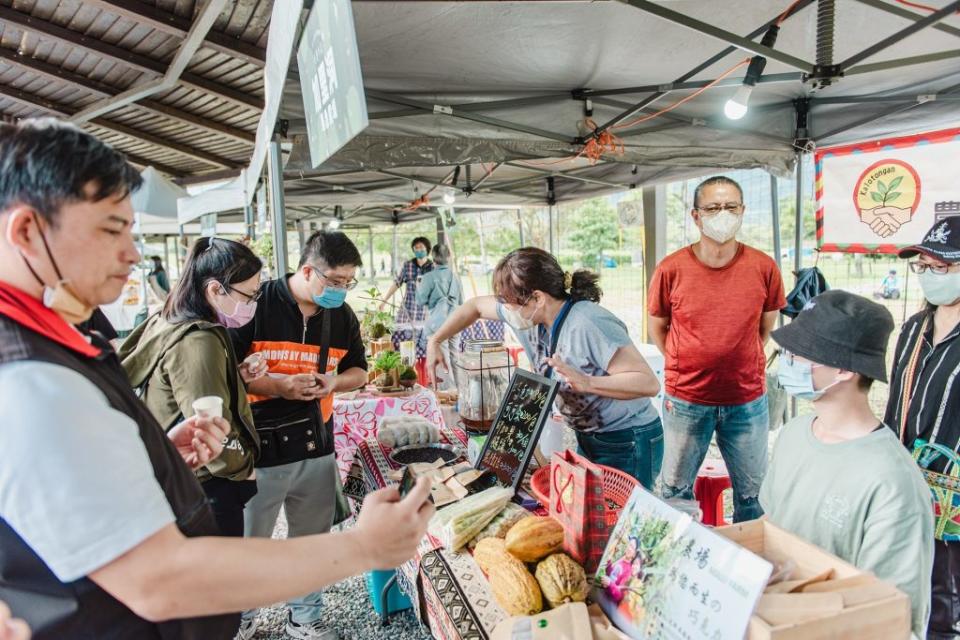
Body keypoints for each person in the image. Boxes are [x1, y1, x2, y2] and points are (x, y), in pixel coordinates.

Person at [0, 119, 433, 639]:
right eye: (112, 229)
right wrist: (365, 547)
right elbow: (160, 580)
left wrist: (154, 453)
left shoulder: (54, 343)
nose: (134, 254)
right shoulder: (33, 381)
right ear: (26, 231)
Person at [760, 290, 933, 638]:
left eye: (799, 353)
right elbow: (768, 530)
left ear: (843, 369)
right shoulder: (793, 435)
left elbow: (895, 615)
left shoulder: (892, 483)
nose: (787, 360)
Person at [230, 230, 369, 640]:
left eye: (349, 283)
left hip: (316, 443)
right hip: (259, 449)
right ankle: (240, 613)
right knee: (250, 540)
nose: (342, 291)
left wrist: (332, 384)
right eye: (336, 281)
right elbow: (227, 374)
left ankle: (304, 617)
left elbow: (360, 371)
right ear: (308, 270)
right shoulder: (255, 306)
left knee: (312, 539)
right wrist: (279, 386)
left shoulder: (341, 316)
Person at [427, 247, 662, 487]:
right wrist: (435, 340)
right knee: (588, 510)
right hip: (588, 435)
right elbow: (475, 306)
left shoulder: (587, 323)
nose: (507, 311)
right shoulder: (530, 317)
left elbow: (648, 382)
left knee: (622, 517)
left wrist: (588, 382)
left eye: (511, 304)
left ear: (538, 297)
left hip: (628, 438)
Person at [648, 175, 786, 522]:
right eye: (712, 208)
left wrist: (735, 358)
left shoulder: (764, 267)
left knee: (754, 494)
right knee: (674, 491)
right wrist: (689, 364)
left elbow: (765, 326)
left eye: (730, 207)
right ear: (696, 216)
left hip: (747, 399)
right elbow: (658, 328)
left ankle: (753, 563)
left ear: (742, 212)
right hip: (686, 401)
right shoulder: (671, 269)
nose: (722, 214)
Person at [119, 237, 265, 537]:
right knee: (222, 579)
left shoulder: (165, 319)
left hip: (177, 480)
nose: (252, 304)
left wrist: (233, 377)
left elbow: (185, 387)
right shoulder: (199, 340)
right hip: (207, 484)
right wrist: (243, 469)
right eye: (249, 295)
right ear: (214, 289)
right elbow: (211, 424)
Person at [885, 217, 960, 640]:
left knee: (943, 591)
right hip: (903, 476)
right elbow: (897, 399)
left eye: (942, 267)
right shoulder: (915, 328)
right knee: (901, 574)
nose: (930, 275)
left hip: (954, 496)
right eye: (924, 266)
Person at [415, 243, 463, 390]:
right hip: (456, 320)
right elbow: (461, 301)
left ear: (433, 258)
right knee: (455, 355)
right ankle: (460, 391)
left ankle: (446, 391)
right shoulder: (455, 277)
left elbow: (420, 301)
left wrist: (418, 286)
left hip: (438, 323)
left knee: (442, 356)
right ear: (448, 257)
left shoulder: (428, 277)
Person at [380, 236, 433, 324]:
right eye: (416, 248)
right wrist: (384, 301)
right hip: (408, 307)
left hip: (426, 310)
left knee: (424, 335)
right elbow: (397, 284)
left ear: (427, 249)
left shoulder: (433, 267)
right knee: (401, 333)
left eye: (421, 247)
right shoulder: (408, 265)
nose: (419, 250)